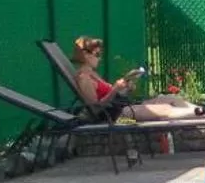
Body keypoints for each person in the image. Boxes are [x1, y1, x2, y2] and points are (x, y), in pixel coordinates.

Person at [69, 37, 198, 121]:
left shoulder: (93, 74)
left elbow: (113, 96)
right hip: (114, 114)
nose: (100, 58)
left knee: (169, 98)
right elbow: (95, 108)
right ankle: (203, 111)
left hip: (123, 106)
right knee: (164, 108)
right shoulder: (83, 78)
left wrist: (126, 88)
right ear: (85, 54)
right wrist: (115, 89)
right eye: (97, 54)